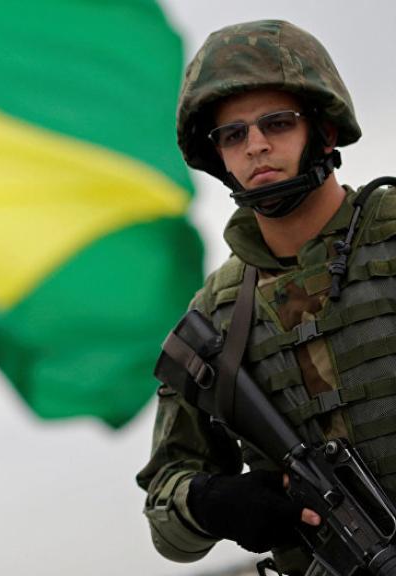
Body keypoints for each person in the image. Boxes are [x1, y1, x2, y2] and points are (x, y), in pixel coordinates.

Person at [136, 19, 393, 574]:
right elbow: (167, 519)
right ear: (219, 157)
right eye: (233, 135)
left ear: (323, 132)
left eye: (277, 123)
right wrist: (212, 505)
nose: (256, 146)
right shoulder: (214, 319)